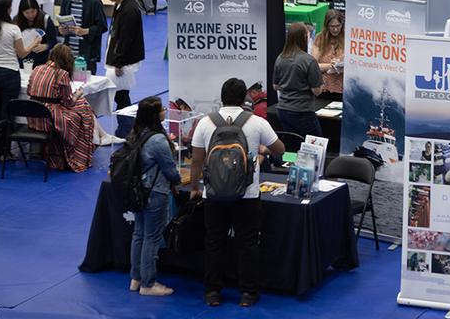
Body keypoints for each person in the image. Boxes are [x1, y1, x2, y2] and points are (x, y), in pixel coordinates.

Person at [189, 77, 285, 308]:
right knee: (248, 243)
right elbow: (280, 149)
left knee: (214, 242)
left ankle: (212, 292)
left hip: (213, 194)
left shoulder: (205, 123)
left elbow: (196, 160)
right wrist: (262, 150)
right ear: (245, 98)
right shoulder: (256, 122)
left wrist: (194, 187)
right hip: (248, 194)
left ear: (221, 98)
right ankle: (248, 294)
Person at [126, 96, 182, 297]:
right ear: (156, 114)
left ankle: (136, 278)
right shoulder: (157, 139)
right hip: (154, 191)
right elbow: (170, 170)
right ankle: (148, 284)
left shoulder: (135, 133)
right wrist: (178, 181)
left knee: (139, 234)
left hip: (137, 190)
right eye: (162, 109)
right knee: (152, 237)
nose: (165, 111)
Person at [0, 0, 47, 159]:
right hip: (9, 74)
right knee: (7, 113)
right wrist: (33, 43)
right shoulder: (13, 29)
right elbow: (22, 53)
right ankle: (5, 151)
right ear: (6, 9)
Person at [25, 44, 97, 172]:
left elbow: (29, 91)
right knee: (85, 111)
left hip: (33, 117)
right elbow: (68, 102)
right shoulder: (61, 74)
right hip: (50, 119)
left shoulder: (36, 68)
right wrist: (78, 94)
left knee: (82, 107)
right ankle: (80, 152)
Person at [272, 23, 323, 150]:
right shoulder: (309, 60)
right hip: (302, 111)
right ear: (303, 38)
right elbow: (316, 91)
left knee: (292, 146)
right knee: (316, 147)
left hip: (283, 110)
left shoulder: (280, 58)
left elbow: (275, 86)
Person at [100, 0, 143, 110]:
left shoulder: (129, 10)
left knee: (121, 96)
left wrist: (119, 62)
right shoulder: (121, 4)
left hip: (122, 61)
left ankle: (125, 125)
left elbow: (126, 38)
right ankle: (125, 125)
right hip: (118, 56)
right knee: (121, 96)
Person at [58, 0, 107, 73]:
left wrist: (86, 31)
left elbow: (102, 26)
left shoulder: (94, 2)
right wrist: (61, 30)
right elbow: (62, 20)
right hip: (68, 52)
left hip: (87, 54)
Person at [15, 0, 56, 67]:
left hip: (41, 60)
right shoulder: (16, 21)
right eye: (27, 13)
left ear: (37, 9)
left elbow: (53, 39)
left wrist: (46, 46)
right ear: (21, 12)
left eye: (33, 11)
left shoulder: (45, 19)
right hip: (22, 61)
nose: (30, 15)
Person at [312, 10, 345, 99]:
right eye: (332, 26)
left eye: (338, 26)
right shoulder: (319, 39)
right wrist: (331, 66)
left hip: (342, 89)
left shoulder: (347, 38)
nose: (335, 29)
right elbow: (313, 66)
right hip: (323, 89)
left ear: (342, 25)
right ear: (327, 26)